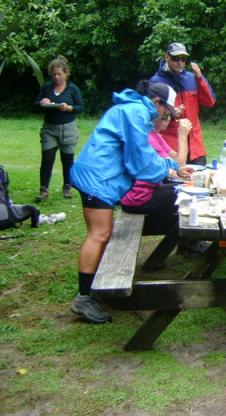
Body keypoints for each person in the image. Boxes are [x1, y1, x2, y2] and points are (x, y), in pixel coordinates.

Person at [69, 82, 193, 323]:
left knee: (102, 233)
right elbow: (141, 160)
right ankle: (84, 297)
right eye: (166, 111)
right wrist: (168, 170)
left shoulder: (134, 110)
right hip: (98, 177)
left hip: (99, 176)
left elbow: (144, 152)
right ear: (156, 102)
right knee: (99, 234)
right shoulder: (136, 112)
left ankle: (92, 289)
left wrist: (172, 167)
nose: (165, 116)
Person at [120, 82, 193, 236]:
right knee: (186, 197)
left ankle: (182, 237)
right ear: (155, 104)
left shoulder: (152, 133)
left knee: (184, 193)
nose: (168, 119)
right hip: (137, 197)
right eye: (166, 114)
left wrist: (177, 169)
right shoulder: (147, 134)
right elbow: (176, 162)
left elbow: (171, 162)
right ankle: (181, 237)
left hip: (140, 193)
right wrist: (182, 136)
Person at [150, 42, 216, 165]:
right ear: (167, 57)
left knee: (202, 176)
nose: (179, 62)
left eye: (183, 59)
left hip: (195, 145)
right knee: (177, 175)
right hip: (172, 145)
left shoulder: (192, 78)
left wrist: (200, 78)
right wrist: (171, 112)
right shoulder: (156, 82)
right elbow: (152, 115)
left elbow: (210, 102)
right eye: (176, 58)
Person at [33, 56, 84, 202]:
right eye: (54, 74)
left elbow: (80, 107)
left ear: (66, 74)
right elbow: (34, 106)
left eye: (59, 74)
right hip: (49, 129)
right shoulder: (47, 88)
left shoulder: (72, 89)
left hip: (68, 129)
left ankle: (67, 187)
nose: (56, 77)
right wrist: (42, 102)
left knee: (67, 160)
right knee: (47, 159)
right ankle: (43, 190)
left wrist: (69, 108)